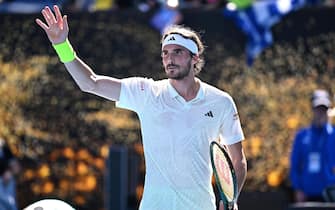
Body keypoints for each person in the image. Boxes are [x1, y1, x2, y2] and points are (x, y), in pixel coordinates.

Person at [36, 5, 247, 210]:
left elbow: (238, 161)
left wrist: (231, 199)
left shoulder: (221, 102)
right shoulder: (146, 92)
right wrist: (62, 46)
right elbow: (90, 83)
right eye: (165, 53)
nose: (169, 59)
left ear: (195, 58)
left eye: (177, 52)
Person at [290, 89, 335, 202]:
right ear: (312, 109)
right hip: (307, 194)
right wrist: (298, 188)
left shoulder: (333, 135)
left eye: (323, 109)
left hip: (330, 194)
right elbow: (295, 165)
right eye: (318, 109)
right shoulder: (302, 136)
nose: (321, 113)